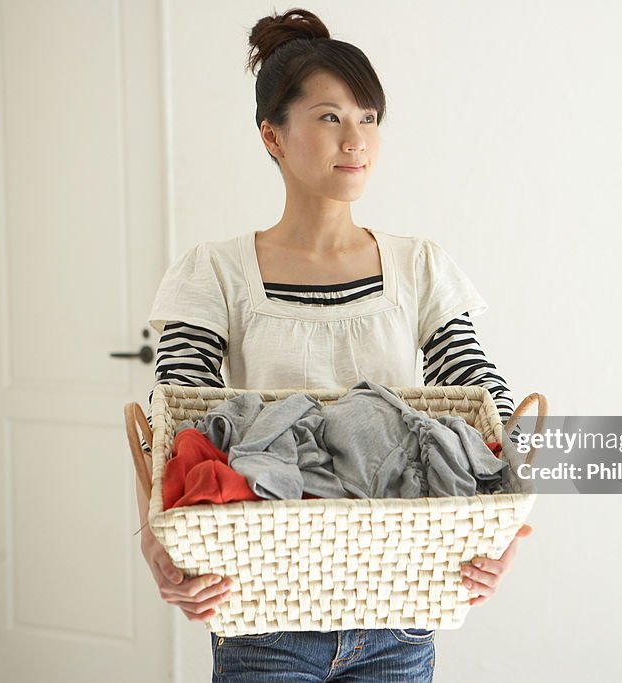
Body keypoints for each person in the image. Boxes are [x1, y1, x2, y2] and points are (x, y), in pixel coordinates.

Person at [136, 8, 533, 682]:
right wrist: (157, 541)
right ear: (272, 135)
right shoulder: (216, 271)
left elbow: (484, 403)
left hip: (398, 616)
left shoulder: (419, 265)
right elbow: (174, 426)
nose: (356, 139)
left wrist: (504, 533)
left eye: (369, 118)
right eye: (329, 117)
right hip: (261, 618)